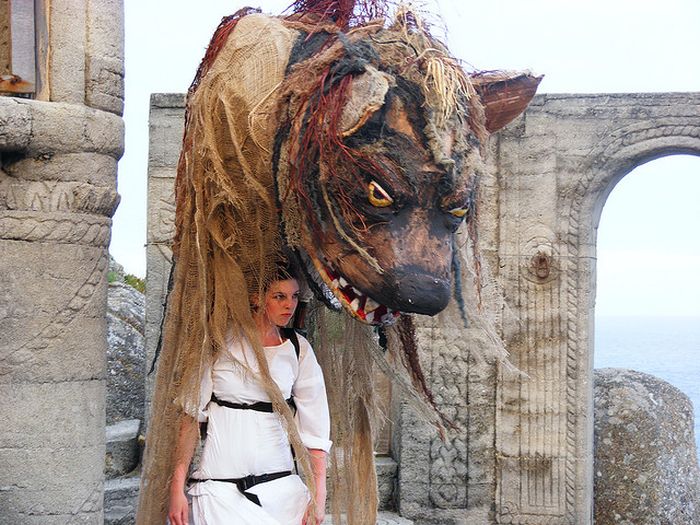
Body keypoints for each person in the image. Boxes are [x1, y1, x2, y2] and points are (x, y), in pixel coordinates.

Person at [167, 265, 331, 525]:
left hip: (283, 490)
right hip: (219, 489)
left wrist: (319, 496)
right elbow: (189, 418)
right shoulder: (218, 343)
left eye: (295, 296)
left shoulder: (299, 349)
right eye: (279, 296)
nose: (290, 304)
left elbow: (316, 430)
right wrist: (177, 489)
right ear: (257, 297)